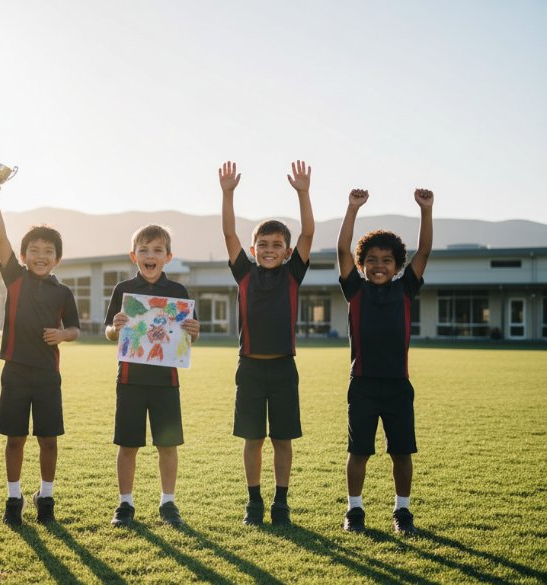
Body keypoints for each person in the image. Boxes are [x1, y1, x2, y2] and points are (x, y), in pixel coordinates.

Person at [219, 160, 315, 526]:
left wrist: (303, 194)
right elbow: (229, 234)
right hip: (250, 368)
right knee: (253, 439)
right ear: (254, 249)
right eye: (263, 244)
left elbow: (307, 233)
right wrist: (228, 194)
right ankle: (254, 502)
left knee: (282, 440)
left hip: (283, 368)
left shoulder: (292, 275)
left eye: (277, 244)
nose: (270, 249)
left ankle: (282, 502)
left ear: (287, 252)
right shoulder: (244, 273)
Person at [337, 187, 433, 535]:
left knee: (401, 452)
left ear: (397, 266)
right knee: (358, 451)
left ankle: (402, 512)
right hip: (362, 384)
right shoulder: (356, 290)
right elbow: (342, 249)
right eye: (372, 260)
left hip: (397, 385)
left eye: (386, 260)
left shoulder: (405, 289)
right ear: (362, 265)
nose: (379, 265)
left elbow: (424, 250)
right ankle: (355, 511)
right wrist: (352, 209)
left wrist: (425, 210)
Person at [0, 190, 80, 525]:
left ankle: (46, 497)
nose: (41, 255)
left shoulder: (63, 292)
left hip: (47, 375)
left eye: (48, 251)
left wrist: (63, 335)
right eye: (34, 251)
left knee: (48, 439)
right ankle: (14, 498)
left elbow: (76, 329)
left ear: (57, 259)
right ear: (24, 256)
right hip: (14, 372)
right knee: (15, 438)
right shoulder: (15, 279)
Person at [104, 225, 199, 528]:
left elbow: (185, 338)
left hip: (166, 382)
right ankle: (125, 504)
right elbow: (108, 332)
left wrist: (194, 333)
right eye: (144, 250)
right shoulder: (123, 291)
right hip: (130, 378)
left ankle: (168, 503)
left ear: (168, 257)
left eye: (157, 250)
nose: (150, 255)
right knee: (127, 444)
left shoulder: (178, 293)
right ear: (134, 256)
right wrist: (114, 327)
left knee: (167, 445)